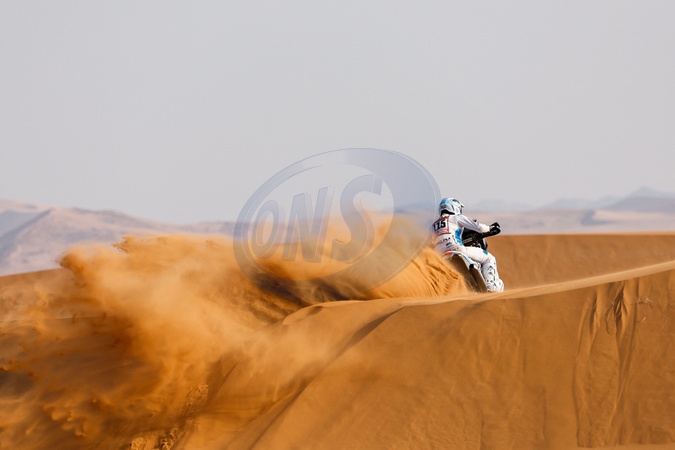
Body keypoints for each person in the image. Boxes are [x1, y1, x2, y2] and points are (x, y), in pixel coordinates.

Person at [432, 198, 504, 292]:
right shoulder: (456, 217)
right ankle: (491, 287)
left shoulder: (433, 225)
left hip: (439, 255)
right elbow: (479, 228)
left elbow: (429, 242)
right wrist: (490, 228)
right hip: (456, 248)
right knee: (489, 258)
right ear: (454, 207)